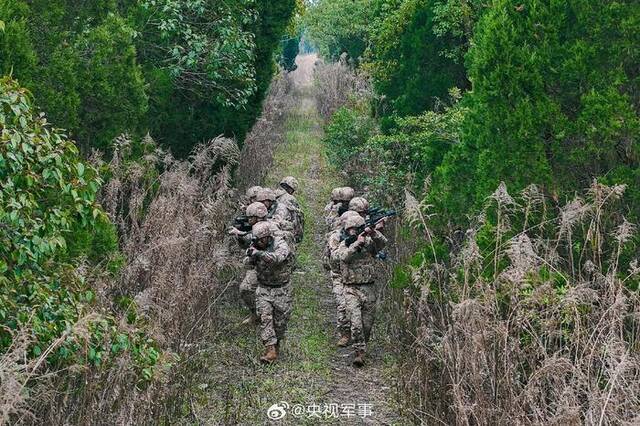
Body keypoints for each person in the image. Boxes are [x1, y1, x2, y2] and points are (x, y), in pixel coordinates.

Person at [333, 214, 387, 367]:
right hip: (351, 288)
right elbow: (343, 257)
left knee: (367, 324)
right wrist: (356, 245)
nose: (352, 232)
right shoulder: (344, 244)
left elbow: (383, 243)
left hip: (369, 287)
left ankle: (362, 345)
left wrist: (373, 233)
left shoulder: (370, 243)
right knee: (355, 322)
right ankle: (359, 352)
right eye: (349, 230)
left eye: (355, 229)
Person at [244, 221, 294, 363]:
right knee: (265, 318)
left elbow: (278, 258)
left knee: (280, 323)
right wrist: (251, 256)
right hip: (264, 288)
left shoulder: (280, 244)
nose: (258, 243)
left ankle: (276, 344)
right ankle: (270, 349)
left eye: (260, 240)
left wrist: (259, 253)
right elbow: (247, 263)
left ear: (266, 237)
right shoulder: (255, 247)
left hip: (282, 288)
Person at [324, 210, 361, 347]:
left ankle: (357, 332)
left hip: (355, 275)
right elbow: (335, 256)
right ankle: (345, 333)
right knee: (342, 304)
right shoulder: (336, 236)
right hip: (339, 275)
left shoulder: (360, 235)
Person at [275, 176, 304, 243]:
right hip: (283, 230)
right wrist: (297, 237)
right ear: (291, 189)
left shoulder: (270, 194)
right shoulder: (290, 199)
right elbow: (297, 218)